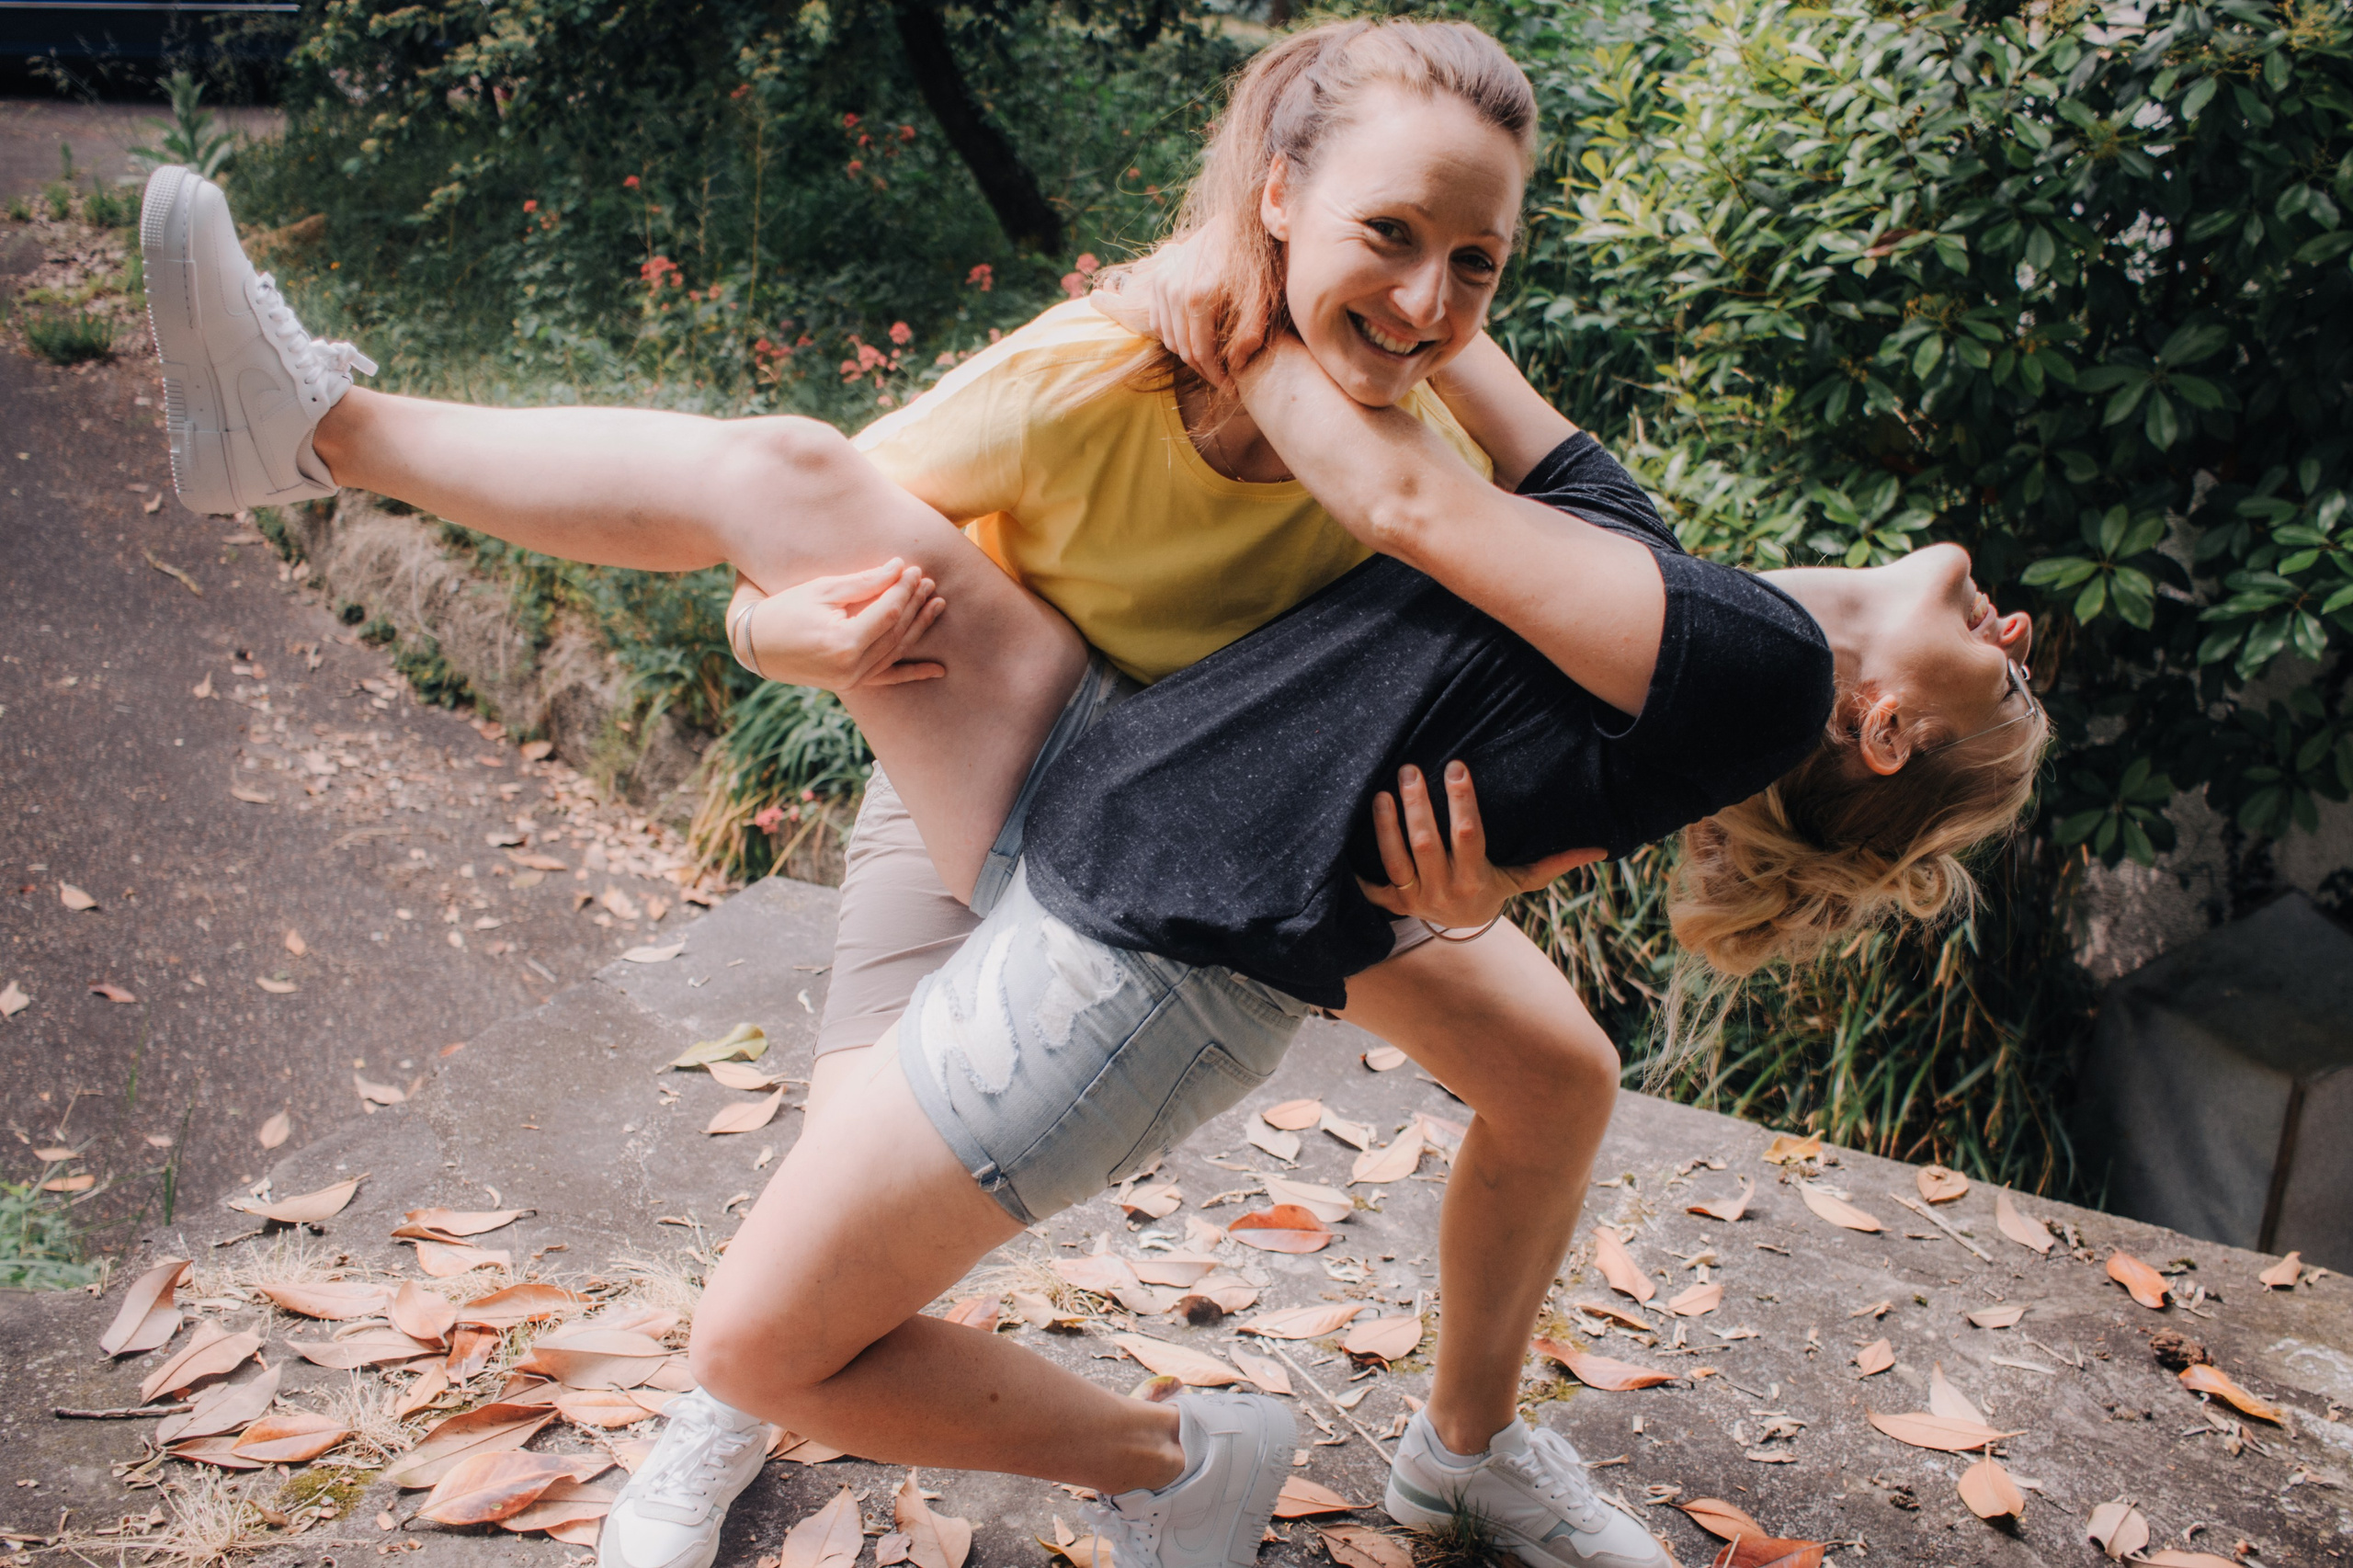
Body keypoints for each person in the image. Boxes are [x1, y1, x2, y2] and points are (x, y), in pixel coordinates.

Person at [136, 19, 2043, 1568]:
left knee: (1553, 1071)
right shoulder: (1093, 376)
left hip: (1204, 842)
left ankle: (1459, 1455)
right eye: (1389, 238)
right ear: (1286, 199)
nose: (1434, 296)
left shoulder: (1454, 427)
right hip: (1009, 733)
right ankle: (316, 431)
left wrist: (1461, 881)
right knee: (793, 491)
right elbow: (761, 571)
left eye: (1478, 263)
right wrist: (797, 651)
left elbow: (1490, 593)